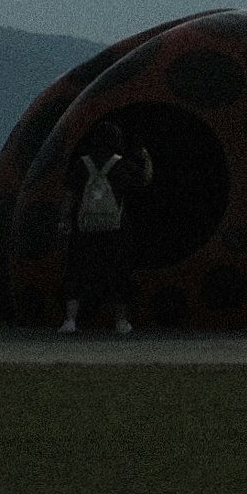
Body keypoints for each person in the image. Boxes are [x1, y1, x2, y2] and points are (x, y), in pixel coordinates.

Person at [62, 121, 153, 336]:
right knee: (119, 274)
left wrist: (64, 220)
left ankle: (70, 321)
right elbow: (145, 181)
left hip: (84, 229)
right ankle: (121, 322)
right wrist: (147, 159)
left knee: (76, 273)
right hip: (115, 230)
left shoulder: (81, 165)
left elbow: (69, 196)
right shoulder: (121, 165)